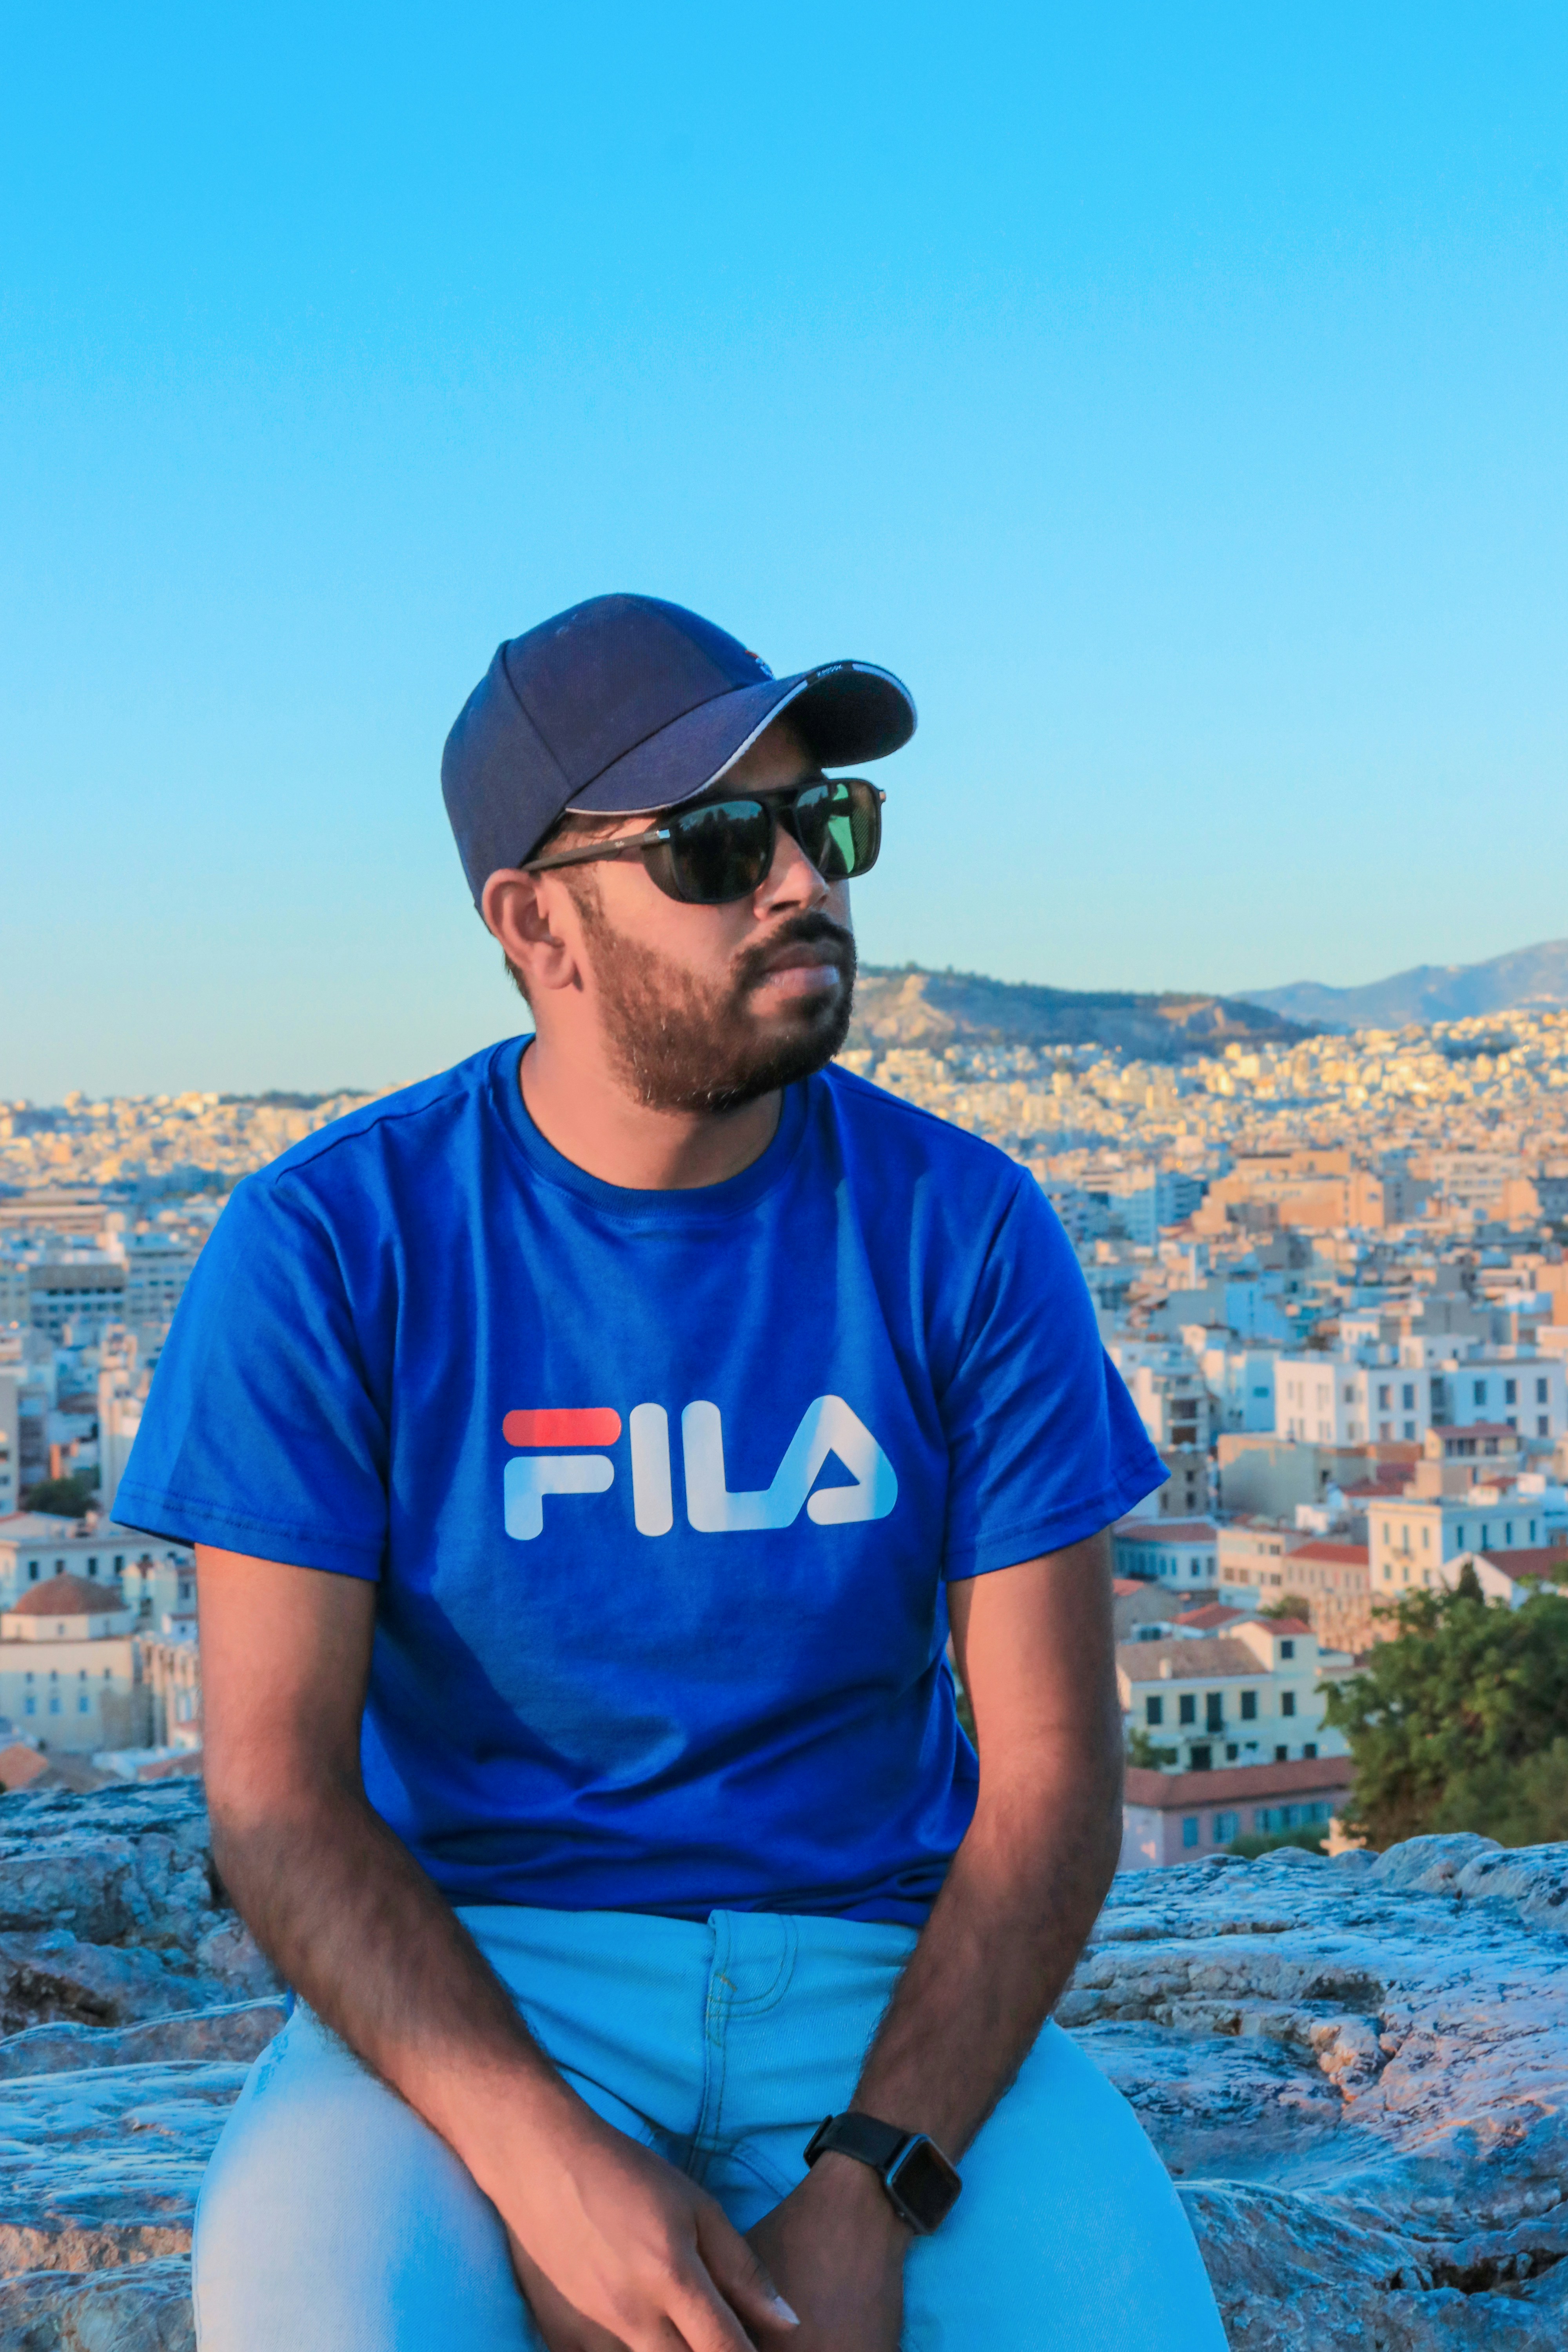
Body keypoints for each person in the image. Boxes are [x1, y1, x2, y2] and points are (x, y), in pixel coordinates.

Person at [117, 593, 1227, 2352]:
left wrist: (875, 2184)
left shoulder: (965, 1229)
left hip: (880, 1991)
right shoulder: (332, 1245)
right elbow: (275, 1800)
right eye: (716, 845)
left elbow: (1046, 1789)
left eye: (822, 822)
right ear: (533, 925)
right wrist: (540, 2160)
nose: (798, 878)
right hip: (480, 1994)